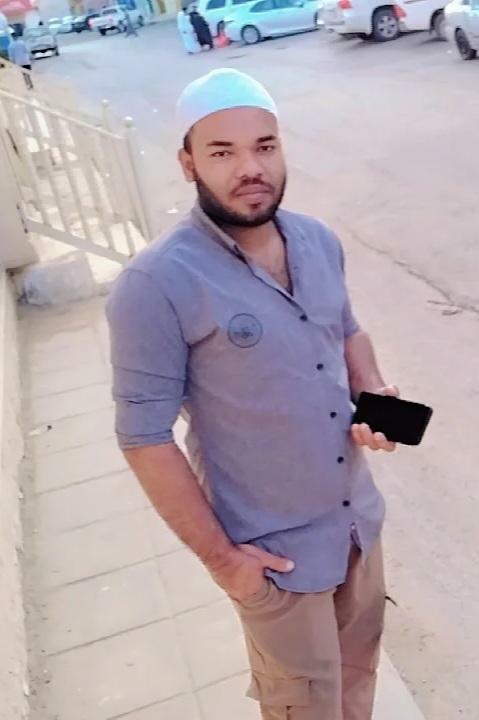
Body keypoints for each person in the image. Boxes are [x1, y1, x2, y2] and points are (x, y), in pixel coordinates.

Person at [106, 68, 400, 720]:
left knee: (357, 682)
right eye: (222, 152)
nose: (250, 168)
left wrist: (373, 391)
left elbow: (346, 330)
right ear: (188, 163)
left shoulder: (317, 240)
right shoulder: (154, 284)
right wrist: (224, 563)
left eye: (264, 147)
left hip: (358, 524)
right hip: (275, 562)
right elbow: (143, 437)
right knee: (302, 706)